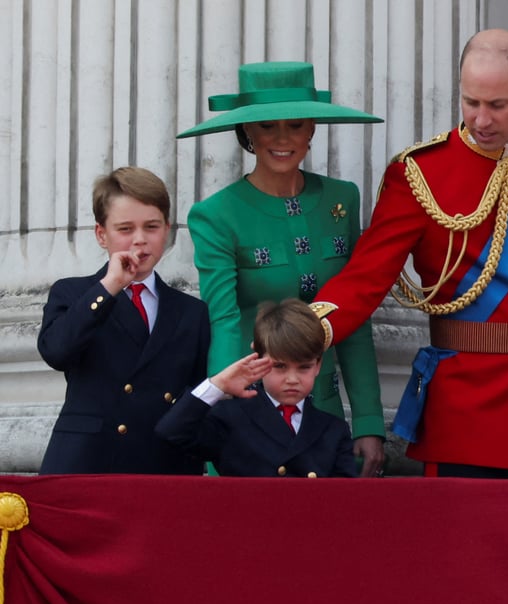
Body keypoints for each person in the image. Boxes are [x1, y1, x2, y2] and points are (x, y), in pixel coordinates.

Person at [308, 28, 508, 479]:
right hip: (463, 419)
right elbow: (364, 281)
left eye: (497, 105)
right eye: (470, 102)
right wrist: (300, 335)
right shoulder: (420, 172)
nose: (481, 120)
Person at [177, 61, 386, 477]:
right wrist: (226, 416)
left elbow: (355, 316)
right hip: (255, 415)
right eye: (267, 126)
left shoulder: (342, 199)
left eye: (295, 125)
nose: (283, 138)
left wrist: (368, 421)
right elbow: (224, 323)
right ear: (247, 132)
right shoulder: (216, 214)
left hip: (324, 415)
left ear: (312, 129)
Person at [37, 167, 210, 474]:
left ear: (167, 230)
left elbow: (195, 396)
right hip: (88, 461)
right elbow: (56, 351)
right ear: (101, 234)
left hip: (163, 463)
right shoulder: (74, 293)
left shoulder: (191, 312)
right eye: (125, 229)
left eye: (151, 227)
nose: (140, 240)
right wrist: (110, 287)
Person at [156, 298, 357, 478]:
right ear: (258, 358)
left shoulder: (333, 430)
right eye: (280, 366)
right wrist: (218, 384)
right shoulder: (232, 417)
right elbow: (171, 432)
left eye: (304, 367)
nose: (292, 379)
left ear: (318, 365)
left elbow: (344, 498)